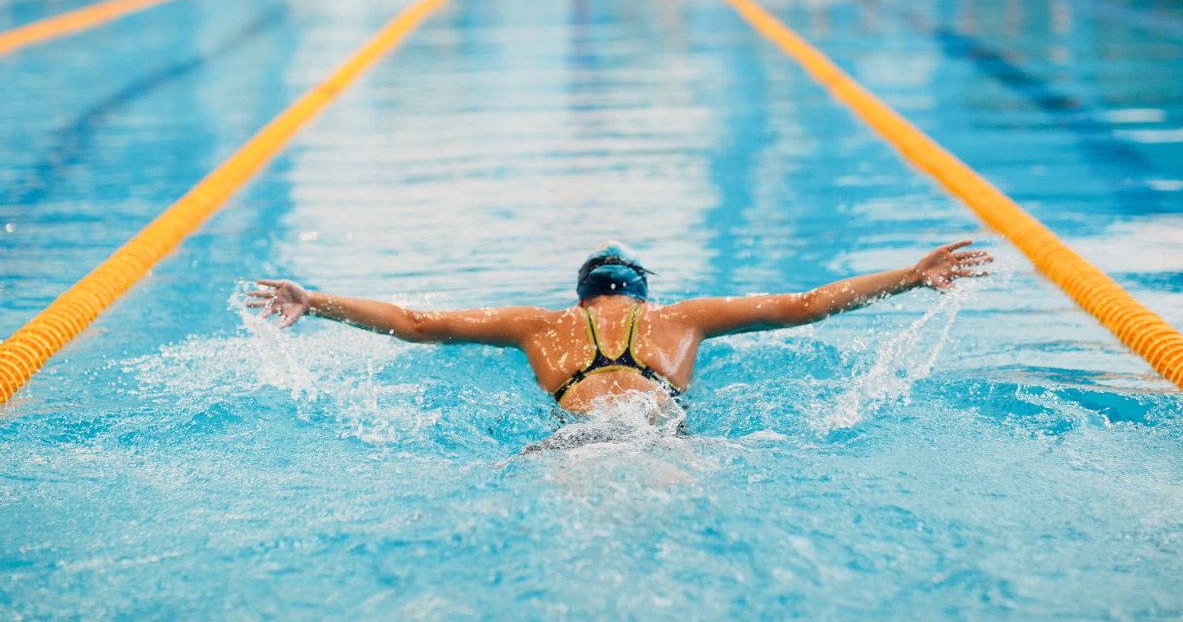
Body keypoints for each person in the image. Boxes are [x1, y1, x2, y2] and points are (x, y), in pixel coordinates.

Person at [247, 241, 992, 415]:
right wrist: (908, 276)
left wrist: (314, 300)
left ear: (582, 296)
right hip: (657, 426)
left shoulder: (540, 327)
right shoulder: (678, 319)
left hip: (571, 436)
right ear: (640, 294)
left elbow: (418, 322)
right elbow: (804, 303)